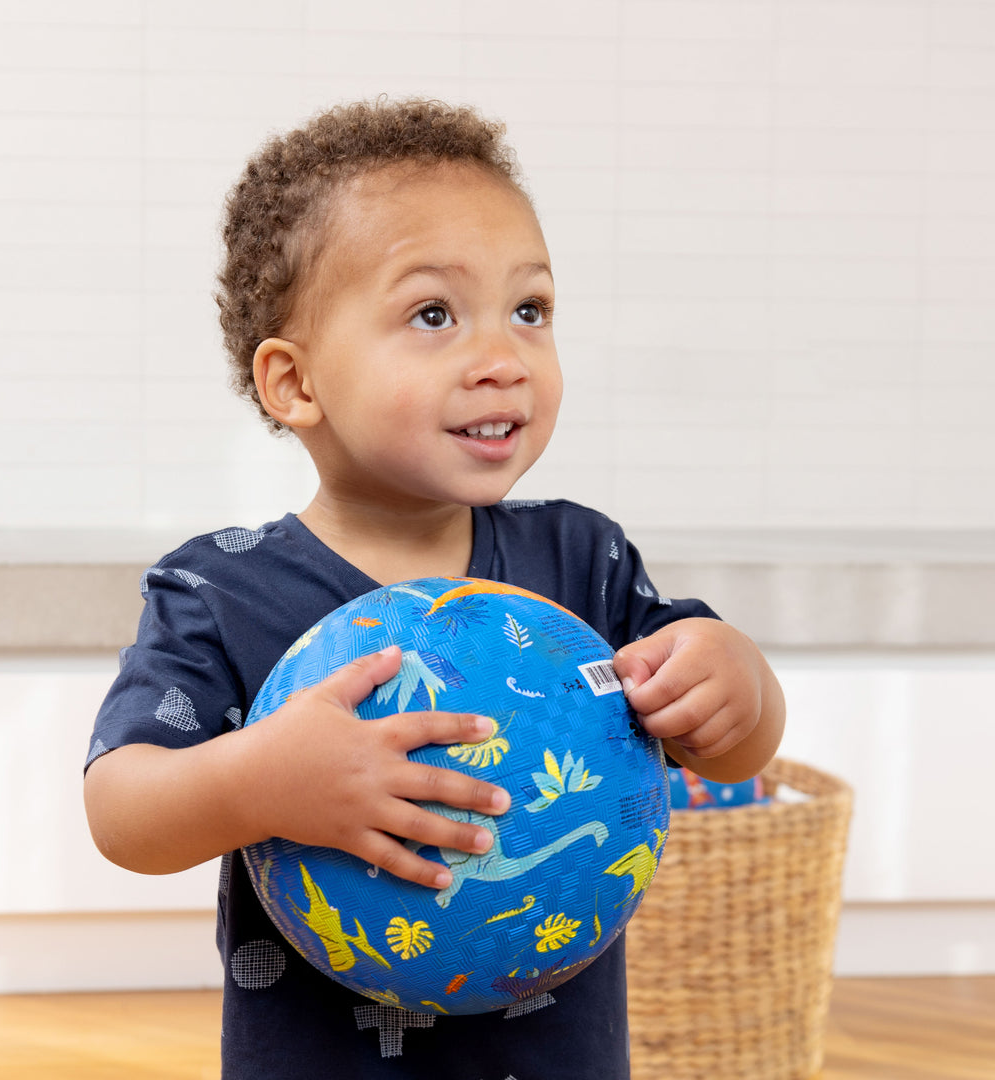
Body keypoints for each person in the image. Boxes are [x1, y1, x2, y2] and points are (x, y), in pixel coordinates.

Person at [84, 98, 785, 1078]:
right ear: (295, 383)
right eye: (432, 315)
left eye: (529, 311)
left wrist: (737, 680)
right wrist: (260, 779)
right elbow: (123, 810)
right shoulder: (224, 586)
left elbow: (733, 744)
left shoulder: (585, 559)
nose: (502, 360)